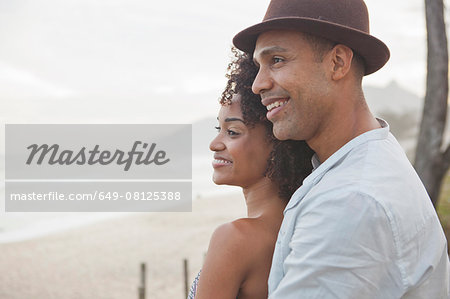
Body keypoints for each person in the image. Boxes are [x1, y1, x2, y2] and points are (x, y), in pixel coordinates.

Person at [231, 0, 450, 298]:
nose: (258, 84)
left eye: (277, 60)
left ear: (337, 63)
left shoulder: (349, 202)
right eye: (258, 66)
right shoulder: (369, 158)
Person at [188, 49, 314, 298]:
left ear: (278, 144)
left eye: (232, 131)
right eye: (219, 128)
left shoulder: (235, 238)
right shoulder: (302, 230)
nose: (214, 144)